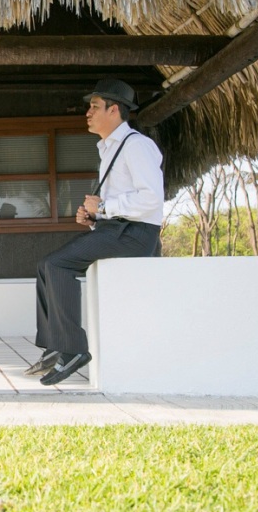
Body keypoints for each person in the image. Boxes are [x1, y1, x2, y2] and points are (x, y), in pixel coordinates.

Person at [26, 79, 164, 386]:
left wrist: (105, 208)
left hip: (136, 234)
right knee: (44, 265)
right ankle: (57, 345)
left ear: (114, 110)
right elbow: (114, 206)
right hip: (120, 229)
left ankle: (74, 349)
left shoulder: (136, 146)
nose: (88, 112)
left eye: (94, 106)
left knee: (56, 264)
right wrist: (93, 217)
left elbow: (152, 199)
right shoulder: (110, 149)